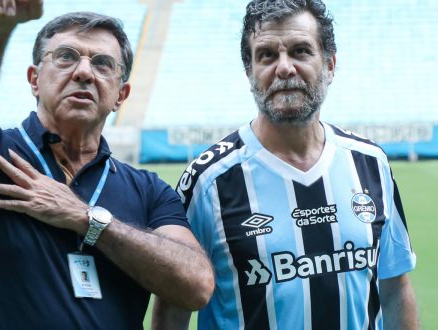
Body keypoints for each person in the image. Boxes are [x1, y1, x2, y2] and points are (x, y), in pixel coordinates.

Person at [0, 1, 213, 328]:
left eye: (103, 63)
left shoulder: (149, 191)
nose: (83, 72)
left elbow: (196, 285)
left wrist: (88, 220)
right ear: (34, 79)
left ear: (120, 95)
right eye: (66, 56)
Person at [153, 0, 418, 329]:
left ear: (330, 65)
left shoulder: (370, 163)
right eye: (266, 55)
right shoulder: (208, 181)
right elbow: (173, 309)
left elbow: (394, 288)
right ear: (250, 71)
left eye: (300, 51)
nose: (284, 68)